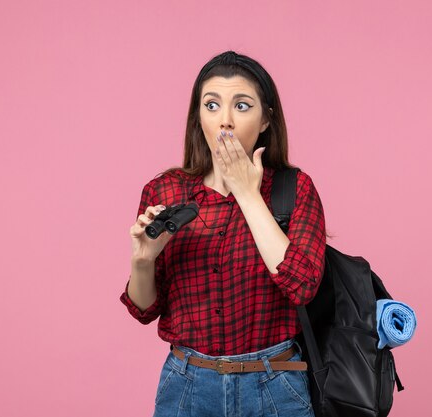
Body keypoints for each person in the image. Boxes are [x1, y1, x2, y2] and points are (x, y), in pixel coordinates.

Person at [120, 50, 327, 417]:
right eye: (212, 105)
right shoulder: (165, 192)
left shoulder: (295, 189)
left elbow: (302, 285)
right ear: (198, 117)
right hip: (187, 385)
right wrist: (143, 258)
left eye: (242, 106)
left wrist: (247, 192)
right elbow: (144, 309)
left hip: (274, 384)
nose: (225, 120)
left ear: (266, 120)